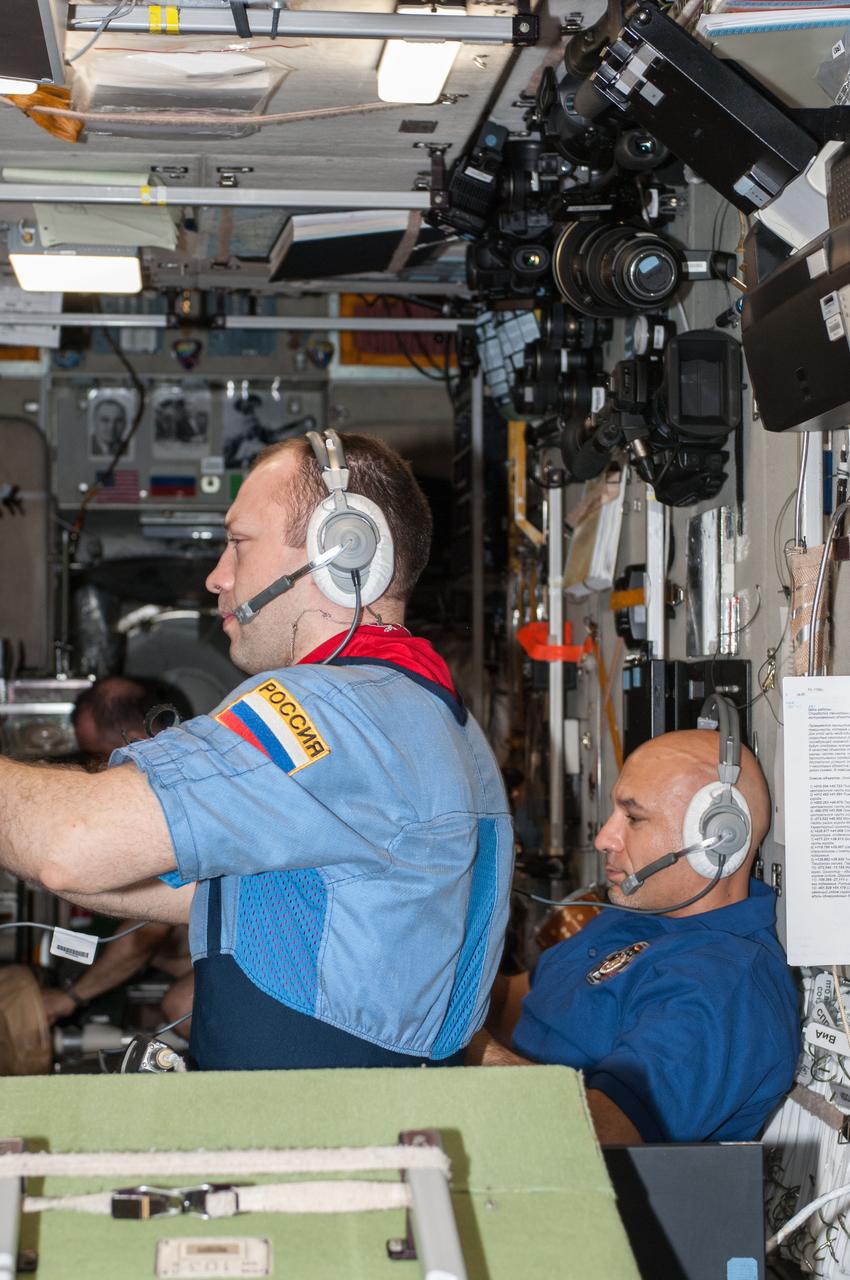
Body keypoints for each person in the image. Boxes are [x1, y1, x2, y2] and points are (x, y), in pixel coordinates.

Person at [1, 432, 512, 1071]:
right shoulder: (430, 716)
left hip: (311, 1126)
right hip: (352, 1115)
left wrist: (58, 841)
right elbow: (222, 894)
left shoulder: (328, 709)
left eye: (238, 543)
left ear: (343, 548)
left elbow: (72, 845)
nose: (217, 576)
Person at [471, 726, 800, 1145]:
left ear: (720, 838)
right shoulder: (640, 914)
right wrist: (435, 988)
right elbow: (515, 1003)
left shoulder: (723, 987)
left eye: (633, 817)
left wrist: (464, 1046)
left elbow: (599, 1137)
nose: (604, 838)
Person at [41, 676, 194, 1033]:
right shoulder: (176, 761)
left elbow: (146, 932)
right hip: (213, 948)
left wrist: (69, 999)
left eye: (99, 755)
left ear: (136, 741)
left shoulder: (175, 790)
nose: (97, 768)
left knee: (180, 1006)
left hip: (276, 938)